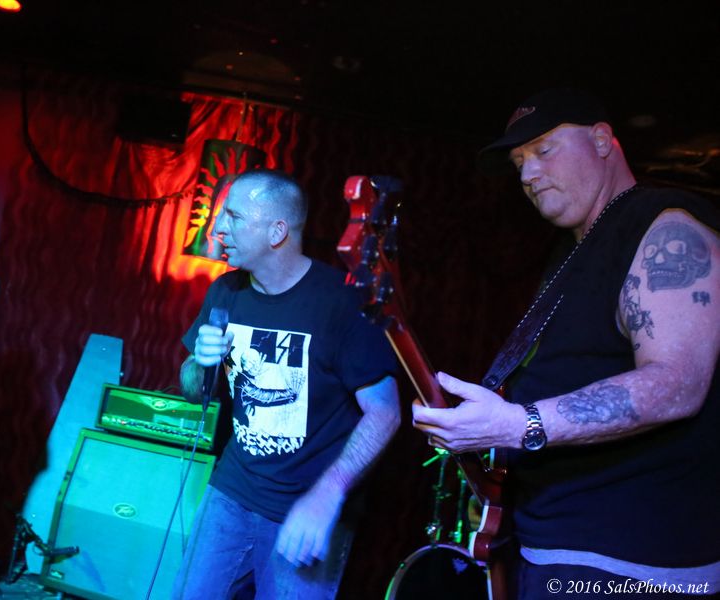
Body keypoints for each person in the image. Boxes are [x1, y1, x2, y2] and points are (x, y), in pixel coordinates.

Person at [412, 88, 720, 598]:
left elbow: (677, 382)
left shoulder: (665, 226)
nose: (528, 174)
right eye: (519, 162)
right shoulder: (572, 250)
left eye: (543, 150)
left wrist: (519, 424)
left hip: (631, 560)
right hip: (556, 547)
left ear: (601, 141)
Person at [173, 170, 401, 599]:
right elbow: (192, 387)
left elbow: (386, 411)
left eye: (234, 216)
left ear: (277, 231)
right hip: (231, 494)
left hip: (306, 508)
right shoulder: (225, 292)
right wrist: (200, 364)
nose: (218, 227)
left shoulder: (342, 301)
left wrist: (328, 494)